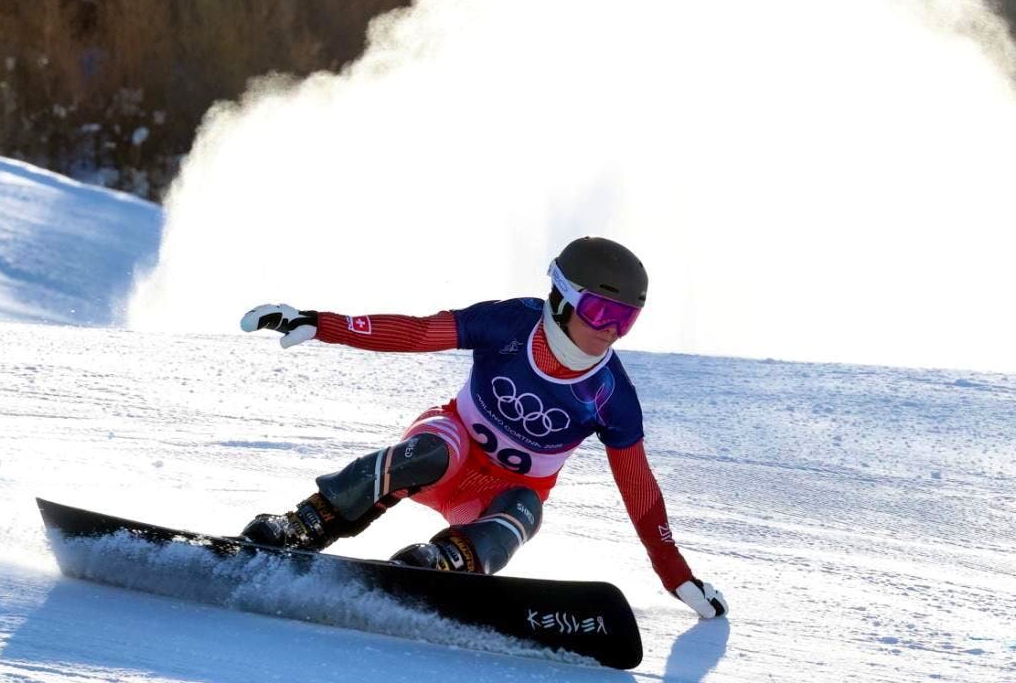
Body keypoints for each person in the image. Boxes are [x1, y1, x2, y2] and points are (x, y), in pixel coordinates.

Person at [239, 236, 728, 619]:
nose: (610, 330)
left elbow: (638, 488)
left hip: (500, 494)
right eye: (601, 311)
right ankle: (308, 522)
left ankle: (444, 563)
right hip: (449, 444)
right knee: (431, 454)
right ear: (561, 298)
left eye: (626, 319)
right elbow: (417, 332)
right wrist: (321, 323)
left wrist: (675, 573)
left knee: (525, 508)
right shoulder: (511, 324)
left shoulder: (611, 395)